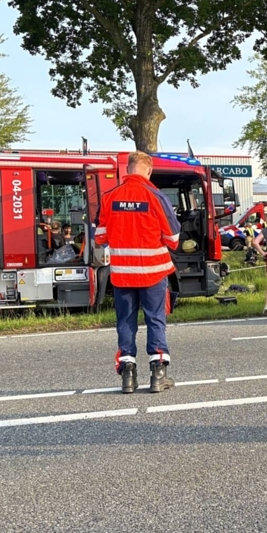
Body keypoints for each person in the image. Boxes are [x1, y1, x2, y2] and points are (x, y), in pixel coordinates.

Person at [95, 151, 181, 394]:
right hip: (153, 272)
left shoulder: (110, 197)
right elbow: (173, 238)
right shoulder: (157, 196)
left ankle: (128, 377)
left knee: (125, 322)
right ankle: (158, 375)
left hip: (122, 273)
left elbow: (100, 237)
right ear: (149, 170)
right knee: (155, 319)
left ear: (127, 169)